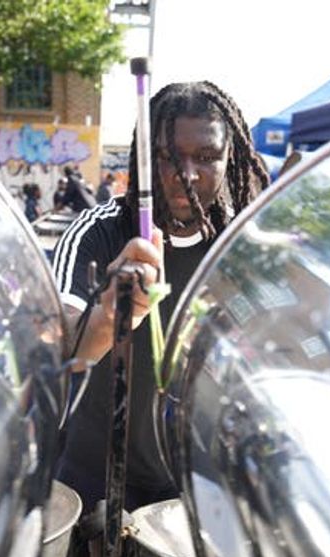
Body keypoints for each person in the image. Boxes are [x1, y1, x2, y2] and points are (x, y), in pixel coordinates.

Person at [51, 81, 270, 514]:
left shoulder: (242, 245)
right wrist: (109, 315)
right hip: (96, 474)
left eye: (206, 158)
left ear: (231, 160)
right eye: (167, 157)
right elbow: (61, 343)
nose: (185, 174)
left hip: (198, 481)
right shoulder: (97, 231)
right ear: (143, 159)